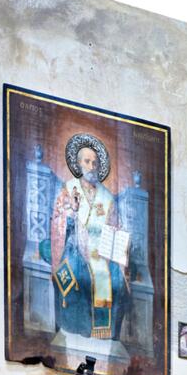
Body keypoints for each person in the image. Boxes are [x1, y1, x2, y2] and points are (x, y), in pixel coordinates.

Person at [50, 133, 129, 340]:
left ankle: (105, 333)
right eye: (87, 161)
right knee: (77, 275)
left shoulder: (107, 197)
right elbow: (58, 221)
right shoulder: (68, 189)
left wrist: (116, 243)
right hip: (74, 245)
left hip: (102, 251)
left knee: (116, 280)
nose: (91, 166)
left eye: (95, 162)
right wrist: (72, 212)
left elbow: (116, 226)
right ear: (78, 163)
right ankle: (75, 328)